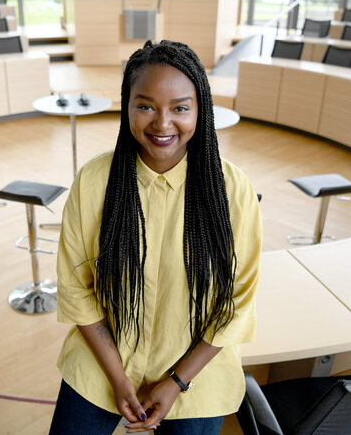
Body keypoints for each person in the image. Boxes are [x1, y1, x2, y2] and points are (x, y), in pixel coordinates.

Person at [49, 40, 262, 435]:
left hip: (196, 377)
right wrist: (117, 377)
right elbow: (76, 288)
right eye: (145, 106)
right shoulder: (95, 180)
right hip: (101, 367)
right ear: (126, 106)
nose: (162, 124)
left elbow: (238, 299)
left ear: (201, 111)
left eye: (180, 108)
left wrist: (176, 381)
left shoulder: (233, 190)